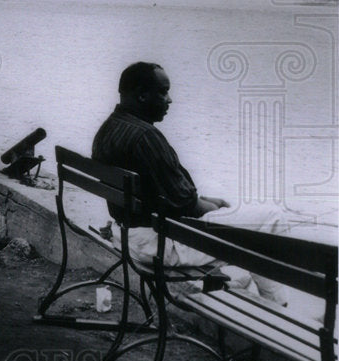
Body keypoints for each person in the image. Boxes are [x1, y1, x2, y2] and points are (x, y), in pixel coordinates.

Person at [92, 61, 288, 303]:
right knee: (272, 218)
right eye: (163, 92)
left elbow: (168, 193)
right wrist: (217, 209)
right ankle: (279, 308)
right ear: (142, 95)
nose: (169, 100)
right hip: (160, 245)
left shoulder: (109, 129)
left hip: (129, 235)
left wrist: (205, 201)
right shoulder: (146, 137)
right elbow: (187, 206)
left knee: (246, 232)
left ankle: (261, 300)